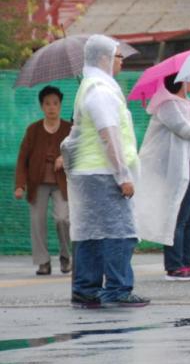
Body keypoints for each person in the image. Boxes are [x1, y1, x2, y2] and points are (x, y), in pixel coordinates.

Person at [62, 35, 148, 308]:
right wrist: (123, 176)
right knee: (119, 232)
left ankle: (86, 288)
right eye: (118, 56)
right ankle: (118, 288)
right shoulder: (101, 91)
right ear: (103, 58)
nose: (121, 62)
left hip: (88, 172)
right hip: (103, 172)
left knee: (91, 232)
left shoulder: (89, 87)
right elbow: (109, 136)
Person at [135, 73, 190, 281]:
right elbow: (185, 129)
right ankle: (174, 266)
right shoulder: (168, 105)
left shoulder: (189, 102)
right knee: (178, 217)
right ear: (180, 81)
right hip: (182, 170)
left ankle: (186, 264)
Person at [14, 85, 71, 276]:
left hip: (62, 183)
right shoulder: (33, 130)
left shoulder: (69, 129)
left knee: (63, 218)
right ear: (41, 106)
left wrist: (64, 158)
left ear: (60, 105)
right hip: (37, 182)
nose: (51, 107)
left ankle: (66, 256)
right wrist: (20, 185)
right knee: (37, 221)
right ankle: (43, 262)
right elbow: (22, 159)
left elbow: (77, 151)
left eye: (55, 103)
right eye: (47, 103)